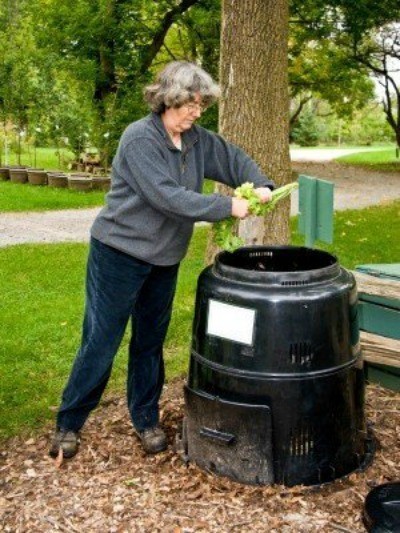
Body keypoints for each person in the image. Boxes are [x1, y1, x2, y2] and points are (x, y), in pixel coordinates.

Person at [49, 60, 275, 459]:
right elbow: (167, 196)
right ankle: (69, 421)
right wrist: (228, 206)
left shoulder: (197, 140)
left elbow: (234, 157)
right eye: (192, 103)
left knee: (150, 342)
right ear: (170, 97)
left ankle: (145, 419)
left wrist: (261, 184)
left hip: (164, 260)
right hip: (118, 253)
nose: (197, 111)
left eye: (202, 105)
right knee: (101, 341)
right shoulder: (139, 139)